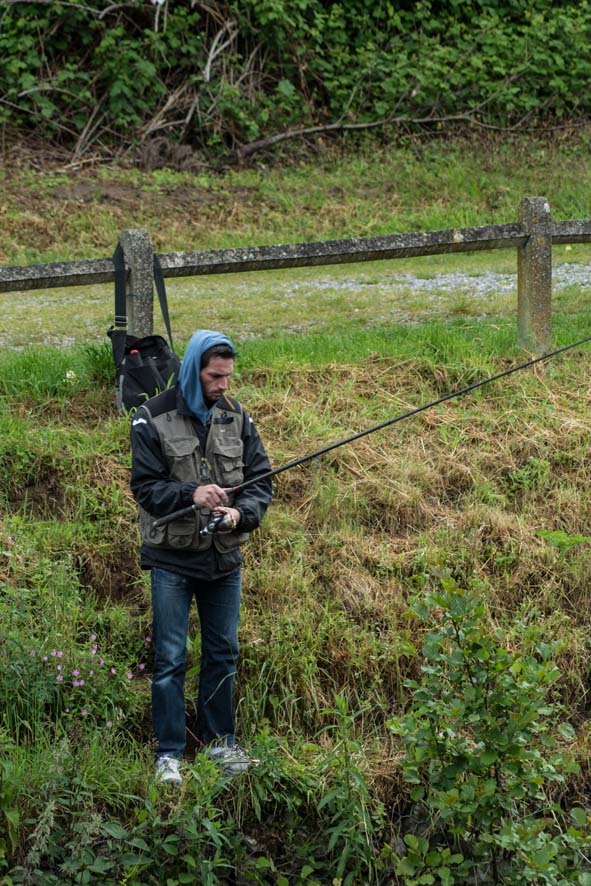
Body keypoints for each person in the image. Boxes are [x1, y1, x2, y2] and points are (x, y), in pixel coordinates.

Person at [130, 329, 273, 784]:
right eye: (216, 376)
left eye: (229, 376)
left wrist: (239, 514)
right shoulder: (150, 418)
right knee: (171, 657)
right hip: (172, 560)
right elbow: (146, 488)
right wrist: (192, 493)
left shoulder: (238, 417)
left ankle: (219, 745)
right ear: (194, 370)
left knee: (223, 653)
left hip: (224, 560)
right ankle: (169, 754)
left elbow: (261, 482)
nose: (224, 385)